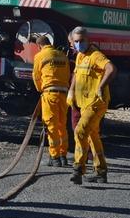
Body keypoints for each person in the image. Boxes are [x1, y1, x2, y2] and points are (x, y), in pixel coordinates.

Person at [67, 27, 115, 184]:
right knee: (93, 136)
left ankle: (78, 169)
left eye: (82, 41)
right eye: (76, 41)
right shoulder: (80, 56)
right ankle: (101, 172)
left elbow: (111, 68)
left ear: (88, 40)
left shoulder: (96, 56)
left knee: (80, 131)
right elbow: (76, 74)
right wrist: (71, 91)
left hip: (96, 103)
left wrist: (101, 86)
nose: (79, 44)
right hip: (83, 104)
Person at [31, 33, 71, 167]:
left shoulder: (40, 56)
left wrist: (40, 89)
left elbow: (36, 76)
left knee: (51, 126)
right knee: (62, 125)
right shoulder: (63, 56)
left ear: (39, 46)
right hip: (64, 94)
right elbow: (68, 75)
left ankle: (54, 157)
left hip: (50, 94)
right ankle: (63, 156)